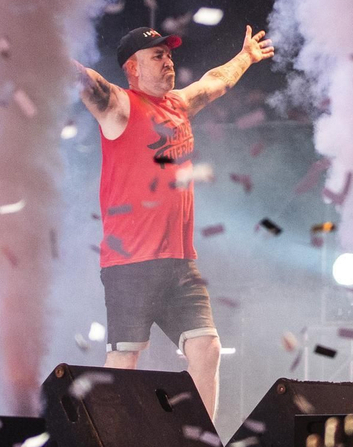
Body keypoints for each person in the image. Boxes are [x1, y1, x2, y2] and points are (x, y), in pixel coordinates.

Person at [74, 24, 274, 426]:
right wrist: (42, 46)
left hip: (180, 264)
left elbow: (215, 81)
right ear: (133, 67)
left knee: (207, 350)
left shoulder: (179, 104)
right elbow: (87, 81)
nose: (168, 61)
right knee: (124, 361)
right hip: (130, 263)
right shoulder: (120, 107)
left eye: (169, 54)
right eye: (157, 56)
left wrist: (246, 57)